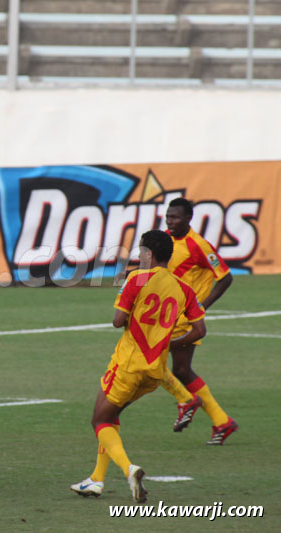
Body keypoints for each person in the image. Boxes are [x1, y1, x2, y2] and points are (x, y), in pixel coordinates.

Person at [71, 230, 206, 502]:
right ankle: (96, 480)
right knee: (112, 417)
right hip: (154, 373)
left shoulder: (136, 279)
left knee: (100, 420)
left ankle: (128, 469)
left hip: (128, 366)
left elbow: (118, 321)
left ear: (149, 254)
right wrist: (170, 343)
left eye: (141, 251)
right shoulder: (183, 288)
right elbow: (199, 330)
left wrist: (129, 299)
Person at [159, 197, 237, 445]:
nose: (170, 221)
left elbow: (225, 277)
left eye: (175, 217)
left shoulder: (200, 246)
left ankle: (187, 401)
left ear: (188, 219)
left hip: (184, 319)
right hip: (165, 315)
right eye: (168, 216)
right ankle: (222, 422)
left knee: (151, 365)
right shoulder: (164, 239)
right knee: (180, 370)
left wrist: (202, 306)